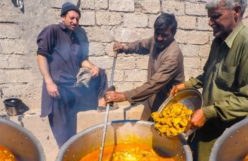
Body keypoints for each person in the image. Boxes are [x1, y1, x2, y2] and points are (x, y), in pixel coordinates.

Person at [170, 0, 248, 161]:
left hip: (226, 130)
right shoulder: (218, 41)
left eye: (215, 16)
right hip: (205, 124)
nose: (209, 22)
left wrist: (208, 112)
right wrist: (187, 85)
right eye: (210, 16)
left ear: (236, 11)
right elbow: (209, 74)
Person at [36, 2, 107, 147]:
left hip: (72, 88)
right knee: (63, 133)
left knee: (101, 73)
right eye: (72, 18)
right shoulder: (52, 31)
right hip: (57, 88)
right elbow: (41, 56)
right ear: (63, 17)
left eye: (77, 19)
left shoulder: (75, 38)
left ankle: (101, 101)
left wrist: (92, 66)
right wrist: (49, 82)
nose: (75, 22)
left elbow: (82, 60)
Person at [105, 12, 185, 121]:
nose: (159, 38)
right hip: (152, 98)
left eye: (165, 35)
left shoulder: (173, 56)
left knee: (161, 136)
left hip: (168, 104)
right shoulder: (155, 40)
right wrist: (125, 47)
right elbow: (141, 45)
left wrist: (125, 95)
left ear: (173, 34)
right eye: (157, 33)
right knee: (143, 131)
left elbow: (154, 84)